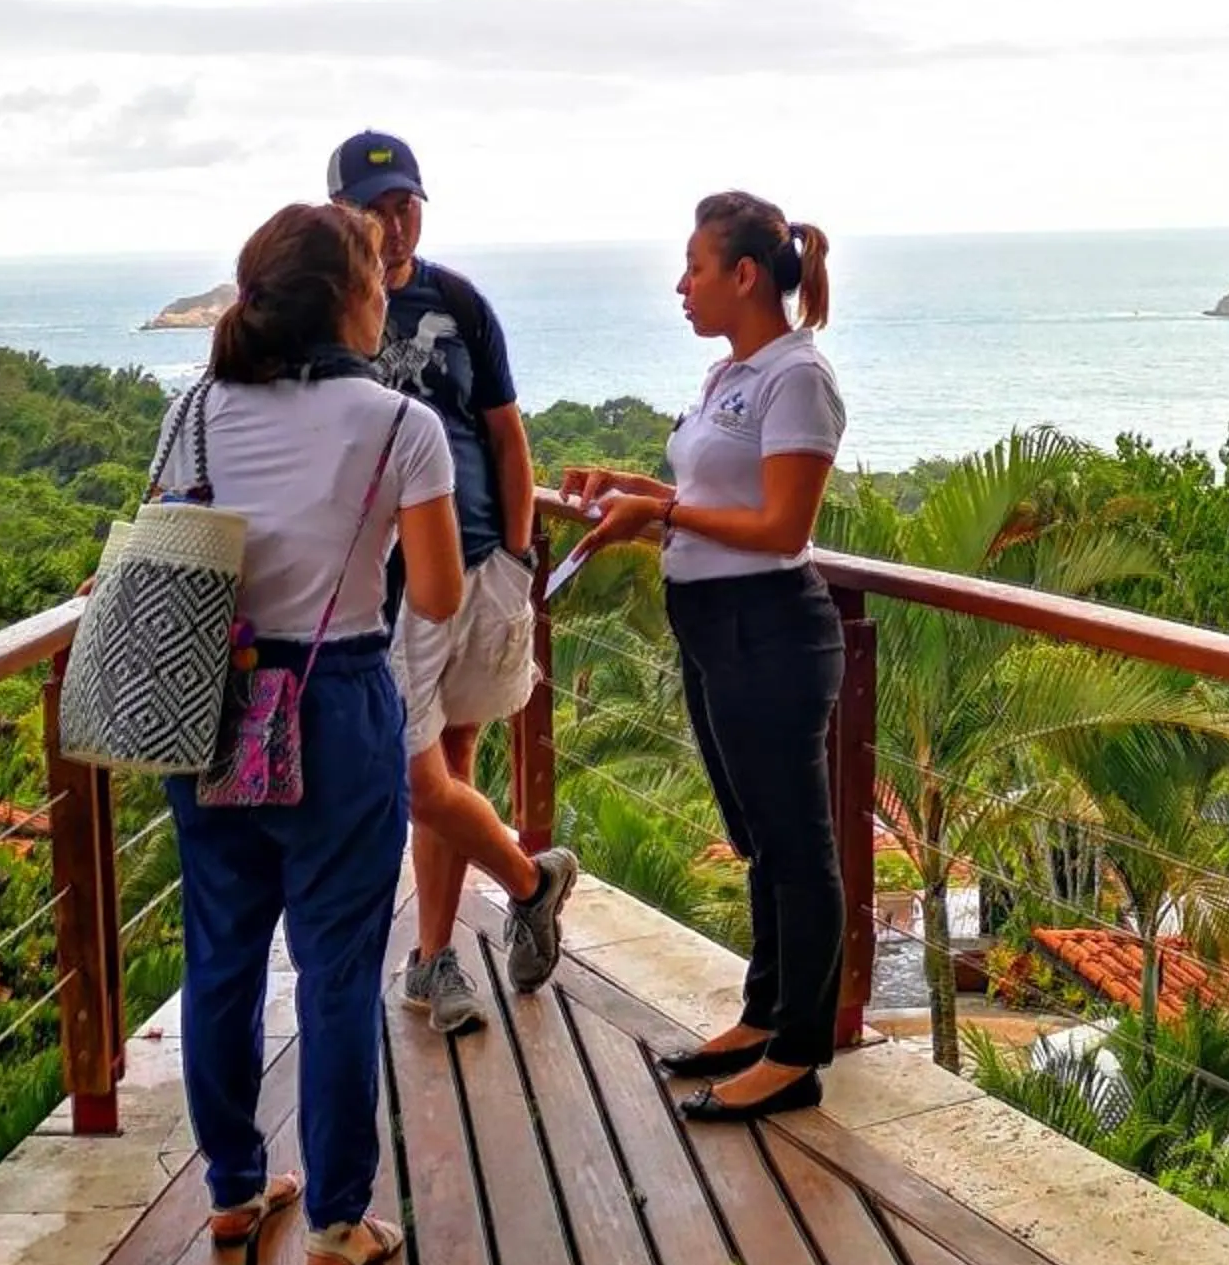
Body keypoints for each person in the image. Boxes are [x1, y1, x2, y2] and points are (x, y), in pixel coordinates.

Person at [166, 201, 460, 1265]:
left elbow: (173, 554)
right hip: (332, 703)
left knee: (223, 954)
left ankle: (234, 1190)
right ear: (350, 299)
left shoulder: (195, 409)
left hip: (210, 703)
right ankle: (338, 1224)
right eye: (377, 278)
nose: (389, 288)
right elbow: (433, 592)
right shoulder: (398, 425)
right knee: (337, 967)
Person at [563, 192, 848, 1123]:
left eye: (693, 267)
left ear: (744, 275)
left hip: (769, 627)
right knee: (759, 835)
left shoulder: (795, 377)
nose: (680, 285)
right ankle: (763, 1015)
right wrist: (632, 491)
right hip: (715, 627)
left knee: (796, 846)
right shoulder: (733, 374)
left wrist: (665, 514)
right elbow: (707, 488)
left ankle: (798, 1053)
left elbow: (780, 526)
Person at [325, 129, 576, 1025]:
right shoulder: (323, 309)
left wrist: (516, 555)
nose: (394, 227)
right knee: (414, 773)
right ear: (340, 215)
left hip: (477, 568)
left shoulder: (458, 303)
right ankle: (527, 880)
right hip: (371, 591)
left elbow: (505, 434)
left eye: (405, 206)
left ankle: (433, 959)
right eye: (373, 209)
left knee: (454, 761)